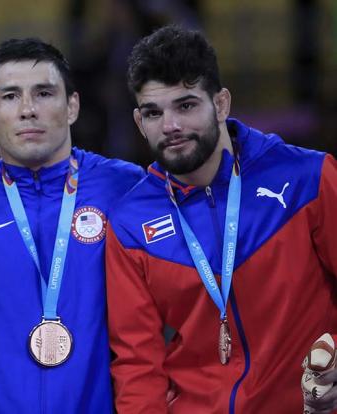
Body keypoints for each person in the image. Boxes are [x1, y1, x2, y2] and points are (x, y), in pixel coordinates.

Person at [106, 25, 337, 413]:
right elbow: (136, 365)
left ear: (221, 104)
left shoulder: (307, 179)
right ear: (138, 121)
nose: (170, 126)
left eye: (186, 105)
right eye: (153, 113)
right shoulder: (131, 223)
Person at [0, 38, 144, 413]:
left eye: (44, 93)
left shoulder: (126, 188)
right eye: (9, 96)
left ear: (72, 106)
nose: (27, 110)